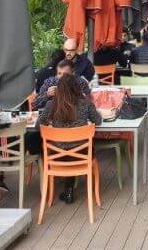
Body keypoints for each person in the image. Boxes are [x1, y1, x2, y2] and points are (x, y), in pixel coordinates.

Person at [39, 73, 104, 204]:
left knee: (60, 146)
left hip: (56, 156)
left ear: (59, 89)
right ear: (76, 87)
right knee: (75, 145)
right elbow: (98, 121)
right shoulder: (85, 104)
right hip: (82, 155)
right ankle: (70, 189)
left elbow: (40, 124)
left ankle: (67, 189)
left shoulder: (51, 105)